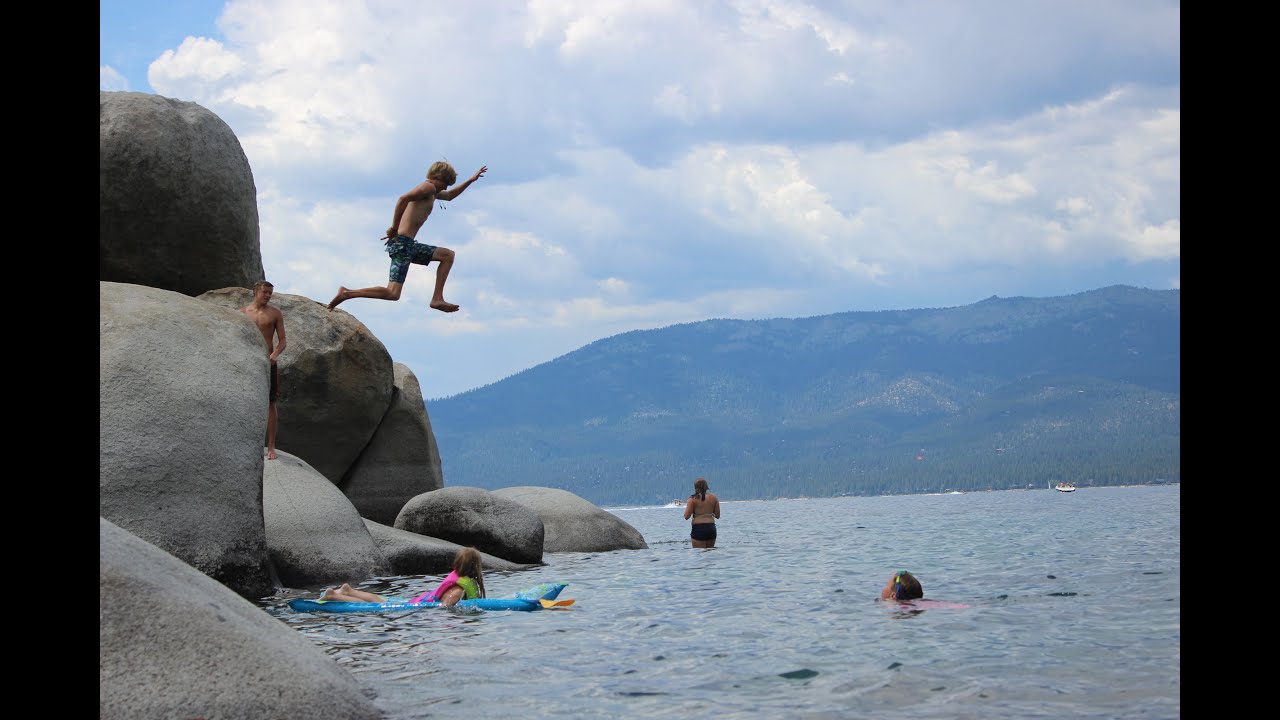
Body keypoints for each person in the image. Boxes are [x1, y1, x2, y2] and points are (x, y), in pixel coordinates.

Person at [327, 161, 487, 314]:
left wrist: (471, 180)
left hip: (408, 245)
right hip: (402, 244)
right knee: (392, 293)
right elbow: (403, 199)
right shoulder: (428, 187)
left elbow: (450, 196)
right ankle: (347, 293)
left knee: (447, 255)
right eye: (445, 183)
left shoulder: (433, 192)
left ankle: (437, 299)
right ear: (438, 178)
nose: (445, 187)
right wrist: (394, 228)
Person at [240, 280, 287, 460]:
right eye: (265, 292)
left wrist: (274, 355)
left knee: (271, 403)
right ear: (255, 292)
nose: (268, 295)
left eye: (270, 293)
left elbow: (283, 340)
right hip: (249, 361)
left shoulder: (275, 313)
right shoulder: (243, 313)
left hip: (269, 363)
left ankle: (271, 446)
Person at [408, 547, 488, 606]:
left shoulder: (465, 584)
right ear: (475, 567)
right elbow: (444, 607)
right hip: (420, 603)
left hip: (425, 597)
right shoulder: (458, 591)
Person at [683, 477, 721, 548]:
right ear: (706, 486)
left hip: (698, 529)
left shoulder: (692, 499)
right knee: (710, 553)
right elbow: (717, 515)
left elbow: (686, 516)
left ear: (695, 487)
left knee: (699, 553)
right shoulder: (714, 498)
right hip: (711, 528)